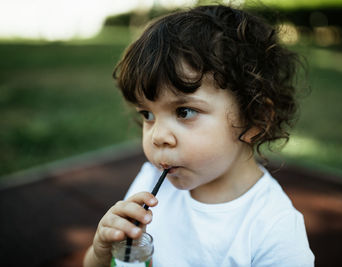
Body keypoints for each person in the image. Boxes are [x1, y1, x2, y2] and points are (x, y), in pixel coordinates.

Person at [84, 4, 314, 267]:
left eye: (184, 111)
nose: (158, 136)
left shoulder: (273, 227)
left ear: (255, 119)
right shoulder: (149, 182)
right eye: (147, 115)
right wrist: (101, 252)